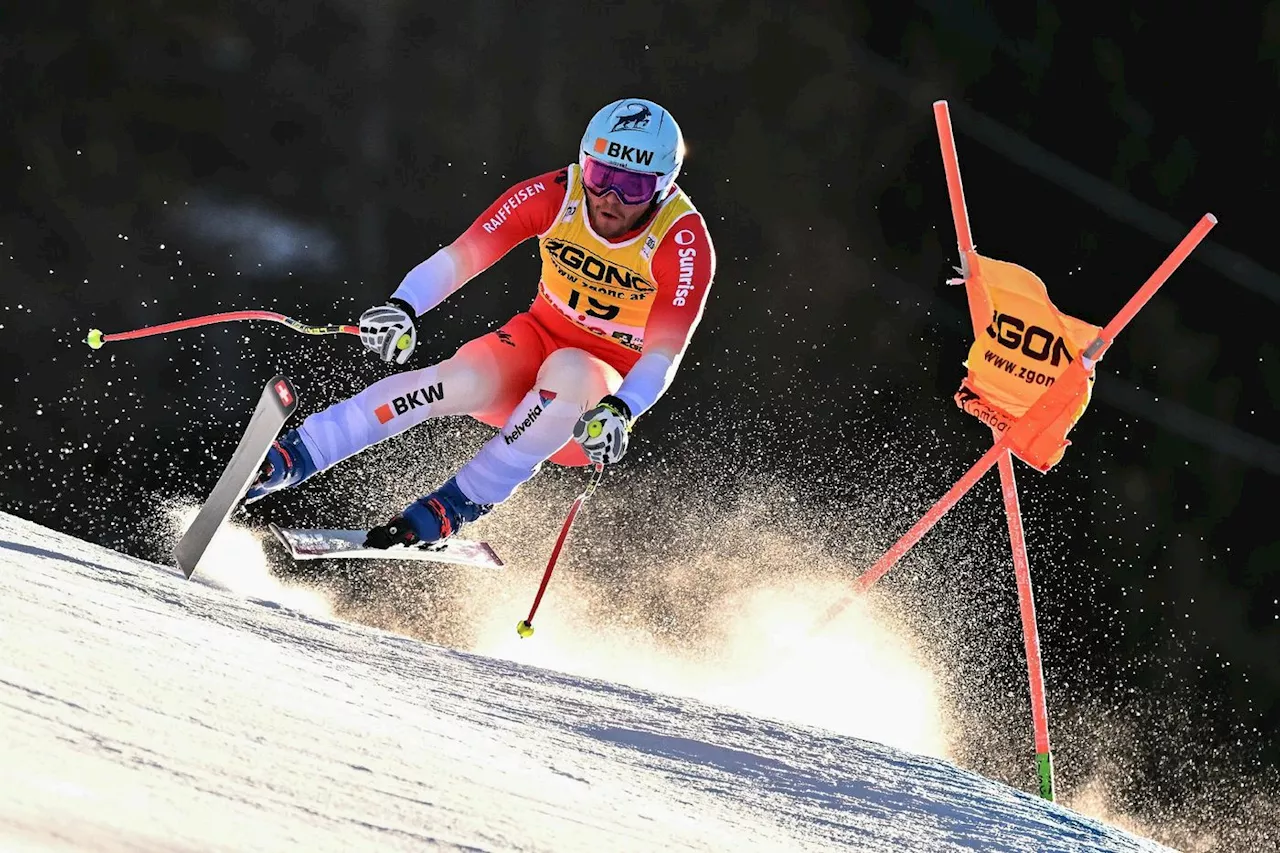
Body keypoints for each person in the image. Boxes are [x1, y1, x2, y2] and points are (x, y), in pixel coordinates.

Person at [246, 98, 716, 548]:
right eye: (600, 175)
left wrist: (623, 410)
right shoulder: (559, 194)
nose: (609, 198)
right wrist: (404, 306)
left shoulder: (682, 240)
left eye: (631, 187)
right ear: (582, 164)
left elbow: (664, 352)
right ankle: (294, 456)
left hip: (590, 406)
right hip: (532, 344)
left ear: (663, 187)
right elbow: (465, 254)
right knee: (457, 380)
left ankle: (455, 504)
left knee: (572, 370)